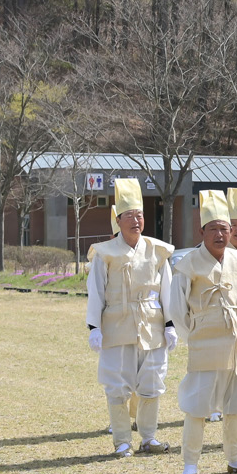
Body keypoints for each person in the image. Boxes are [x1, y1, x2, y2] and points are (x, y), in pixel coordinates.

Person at [169, 191, 237, 474]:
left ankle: (235, 457)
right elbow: (178, 308)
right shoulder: (188, 263)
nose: (221, 234)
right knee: (197, 406)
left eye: (225, 228)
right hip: (206, 344)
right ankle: (190, 463)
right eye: (213, 229)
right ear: (202, 232)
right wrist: (195, 334)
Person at [85, 178, 175, 458]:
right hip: (117, 323)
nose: (136, 221)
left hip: (151, 323)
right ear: (118, 220)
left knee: (152, 381)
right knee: (117, 384)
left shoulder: (158, 250)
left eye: (139, 215)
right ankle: (122, 440)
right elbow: (96, 291)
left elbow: (167, 290)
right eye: (129, 216)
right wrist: (94, 327)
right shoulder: (105, 253)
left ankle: (148, 437)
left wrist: (170, 324)